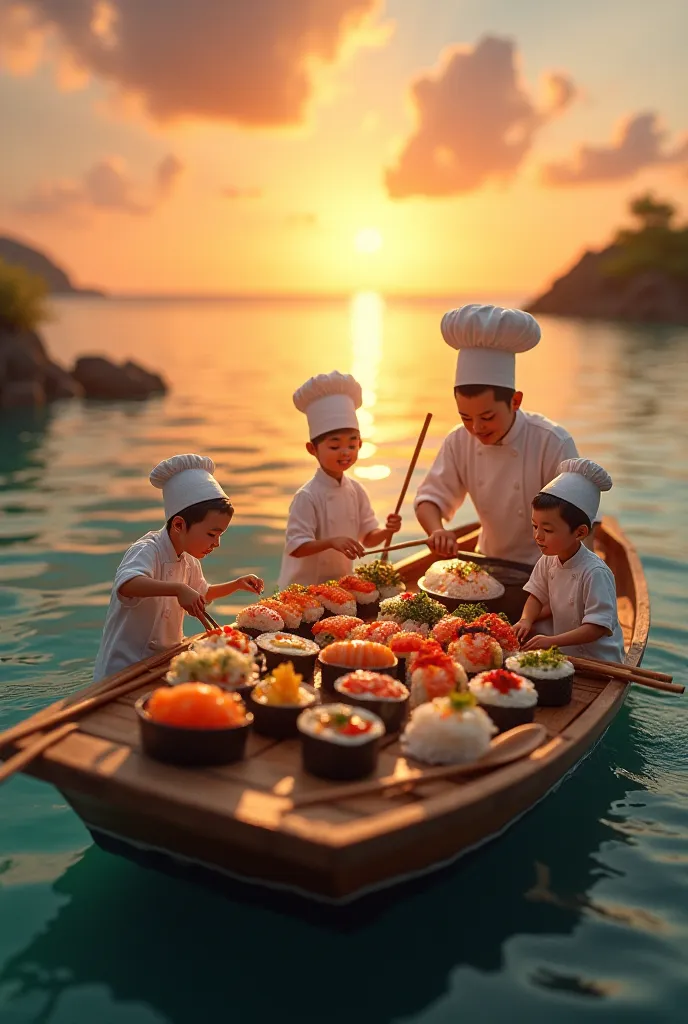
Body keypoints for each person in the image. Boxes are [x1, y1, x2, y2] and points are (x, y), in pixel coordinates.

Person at [414, 304, 583, 566]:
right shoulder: (459, 440)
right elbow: (430, 499)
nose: (477, 428)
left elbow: (582, 523)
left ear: (515, 401)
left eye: (488, 417)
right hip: (487, 563)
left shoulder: (552, 442)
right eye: (466, 417)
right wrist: (437, 530)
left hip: (549, 570)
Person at [93, 454, 263, 681]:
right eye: (212, 534)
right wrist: (178, 589)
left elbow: (201, 593)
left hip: (164, 662)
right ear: (179, 524)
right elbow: (127, 584)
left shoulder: (189, 560)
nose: (217, 543)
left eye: (220, 535)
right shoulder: (147, 550)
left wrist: (236, 584)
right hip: (124, 669)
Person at [278, 371, 401, 588]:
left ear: (360, 445)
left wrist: (388, 530)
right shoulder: (307, 496)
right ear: (312, 449)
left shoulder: (357, 490)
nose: (345, 452)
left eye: (352, 445)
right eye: (335, 446)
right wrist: (332, 542)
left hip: (342, 587)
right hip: (304, 590)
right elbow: (296, 547)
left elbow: (369, 537)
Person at [513, 458, 624, 661]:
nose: (538, 536)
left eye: (547, 530)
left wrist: (552, 641)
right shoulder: (547, 560)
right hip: (567, 656)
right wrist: (525, 620)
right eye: (534, 526)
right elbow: (536, 595)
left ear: (580, 532)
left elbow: (597, 627)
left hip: (602, 662)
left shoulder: (595, 572)